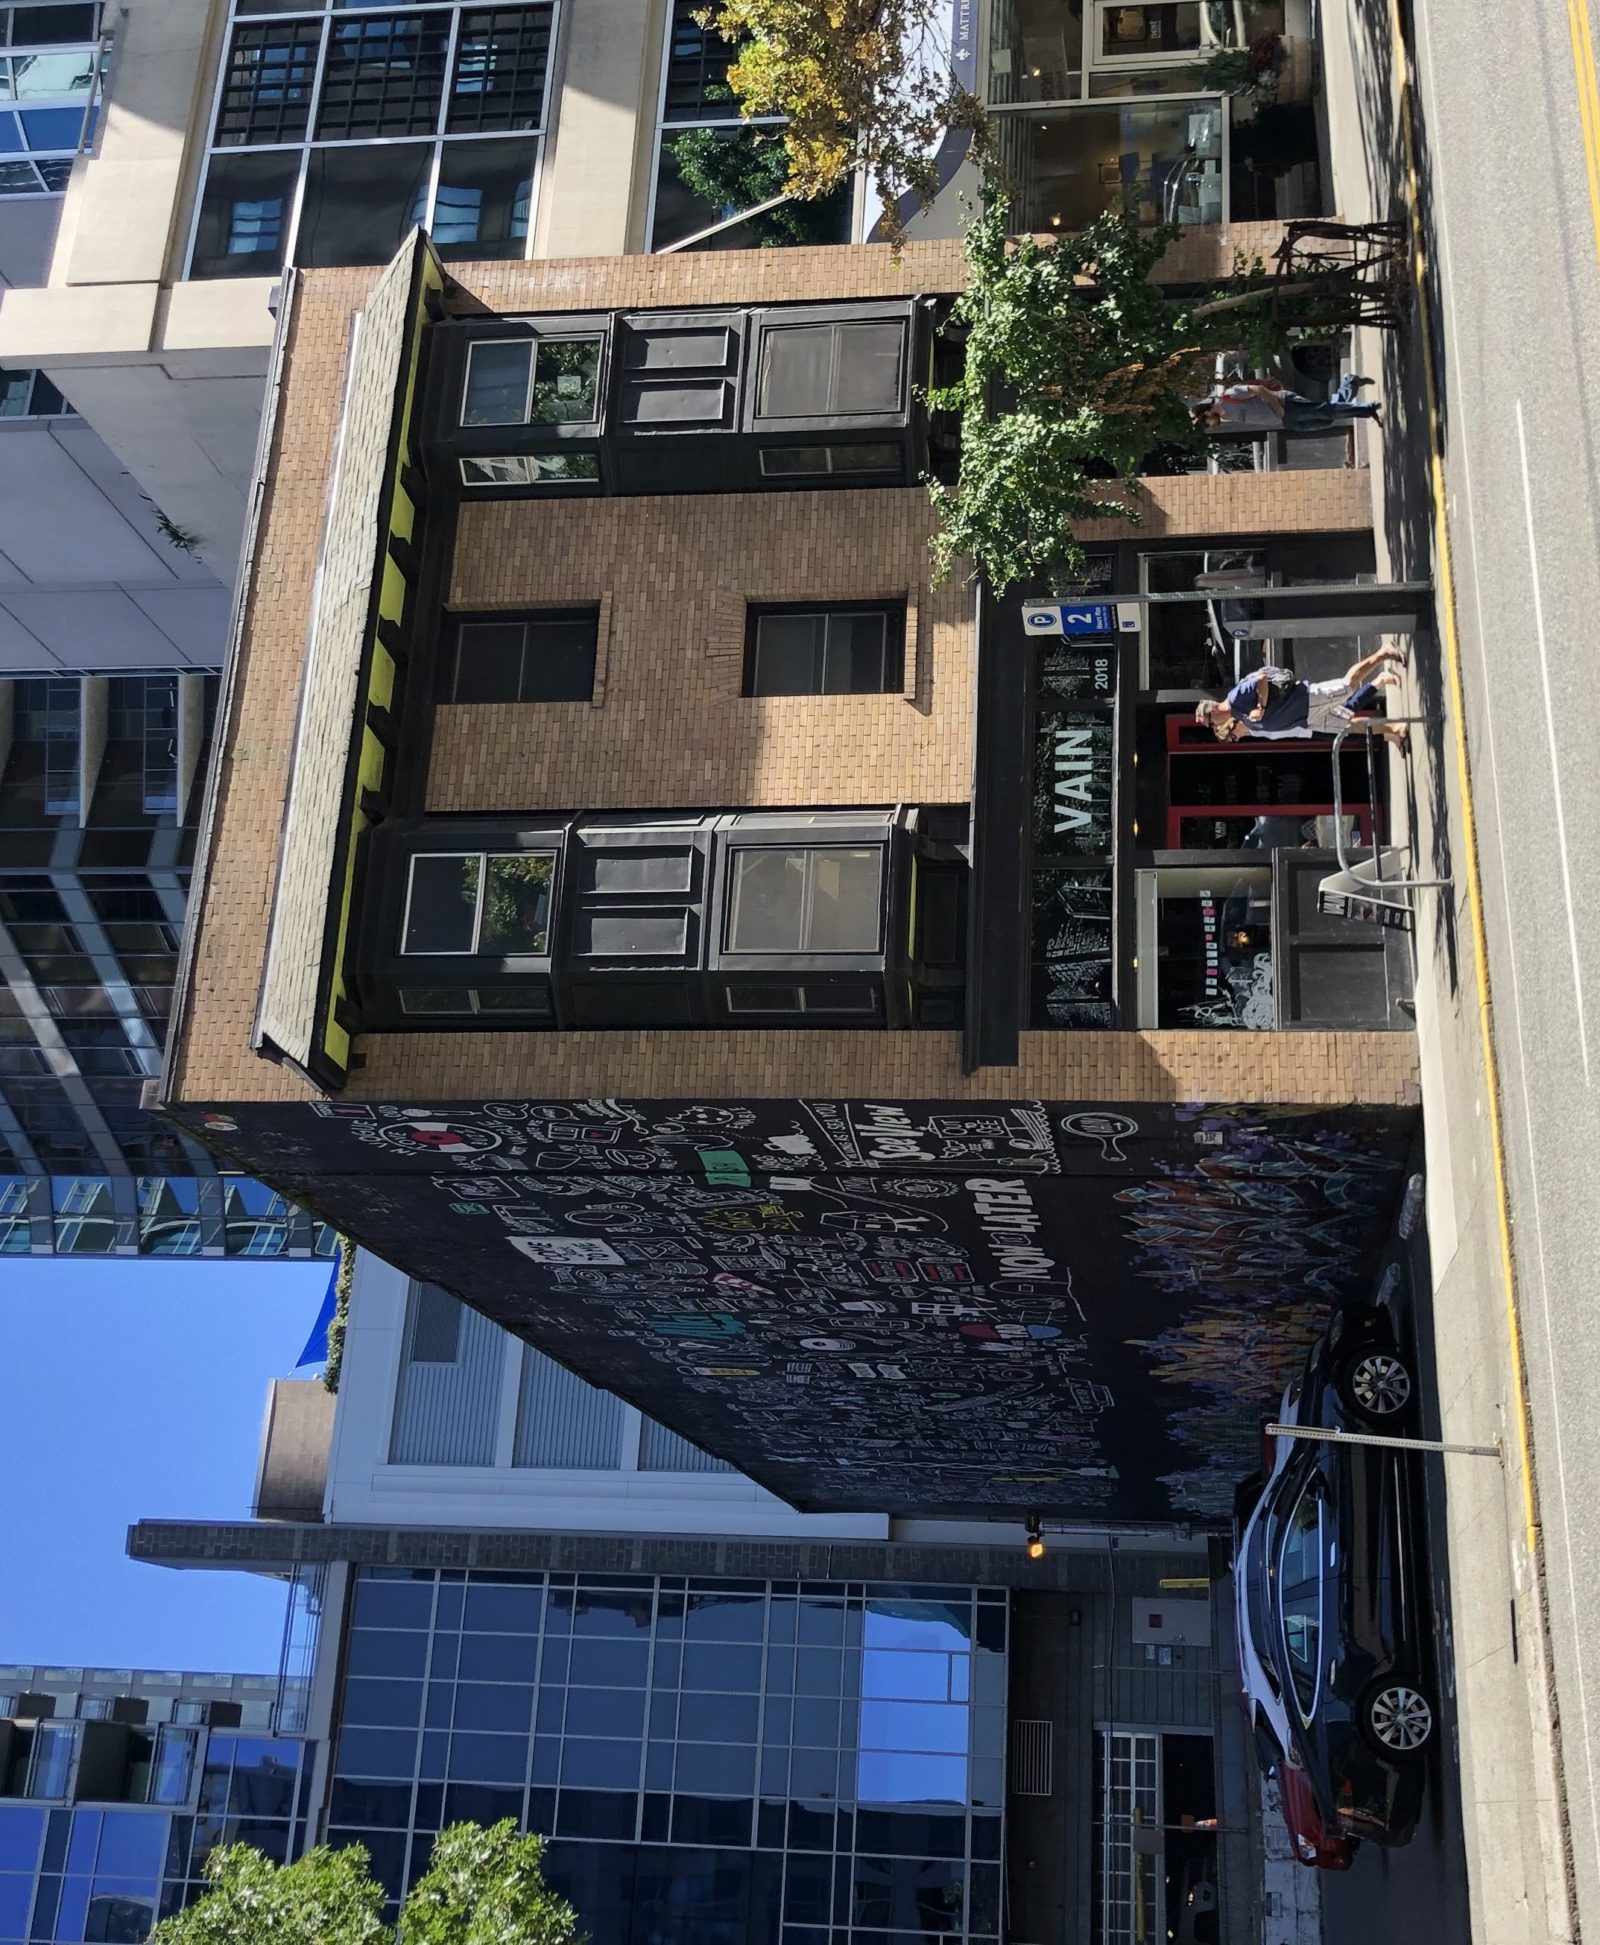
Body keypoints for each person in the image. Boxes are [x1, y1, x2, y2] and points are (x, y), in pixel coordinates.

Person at [1194, 647, 1409, 749]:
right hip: (1307, 720)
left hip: (1305, 702)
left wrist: (1260, 705)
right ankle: (1395, 730)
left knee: (1347, 686)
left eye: (1210, 722)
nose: (1214, 725)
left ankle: (1383, 654)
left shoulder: (1235, 698)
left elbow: (1261, 679)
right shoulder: (1239, 713)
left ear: (1213, 711)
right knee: (1348, 727)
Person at [1193, 374, 1380, 436]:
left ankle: (1368, 409)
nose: (1211, 426)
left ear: (1208, 412)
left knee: (1326, 412)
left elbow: (1259, 390)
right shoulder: (1225, 417)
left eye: (1207, 423)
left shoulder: (1229, 396)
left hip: (1286, 406)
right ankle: (1350, 383)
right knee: (1326, 420)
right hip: (1284, 422)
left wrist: (1278, 408)